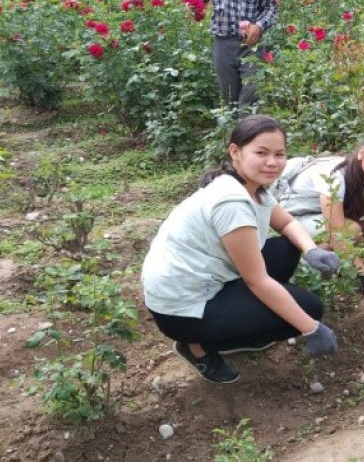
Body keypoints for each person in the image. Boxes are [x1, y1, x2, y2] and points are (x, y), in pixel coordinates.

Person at [141, 115, 340, 384]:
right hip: (181, 309)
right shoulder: (232, 202)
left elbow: (286, 222)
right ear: (235, 152)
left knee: (287, 249)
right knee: (310, 309)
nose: (272, 162)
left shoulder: (250, 186)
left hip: (202, 281)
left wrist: (310, 250)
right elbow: (256, 280)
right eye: (261, 152)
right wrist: (311, 328)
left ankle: (243, 321)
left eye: (279, 154)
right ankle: (198, 347)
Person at [273, 130, 364, 298]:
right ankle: (302, 264)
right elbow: (336, 234)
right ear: (362, 153)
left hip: (317, 214)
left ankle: (337, 257)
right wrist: (363, 275)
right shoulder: (334, 175)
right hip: (291, 216)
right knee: (351, 231)